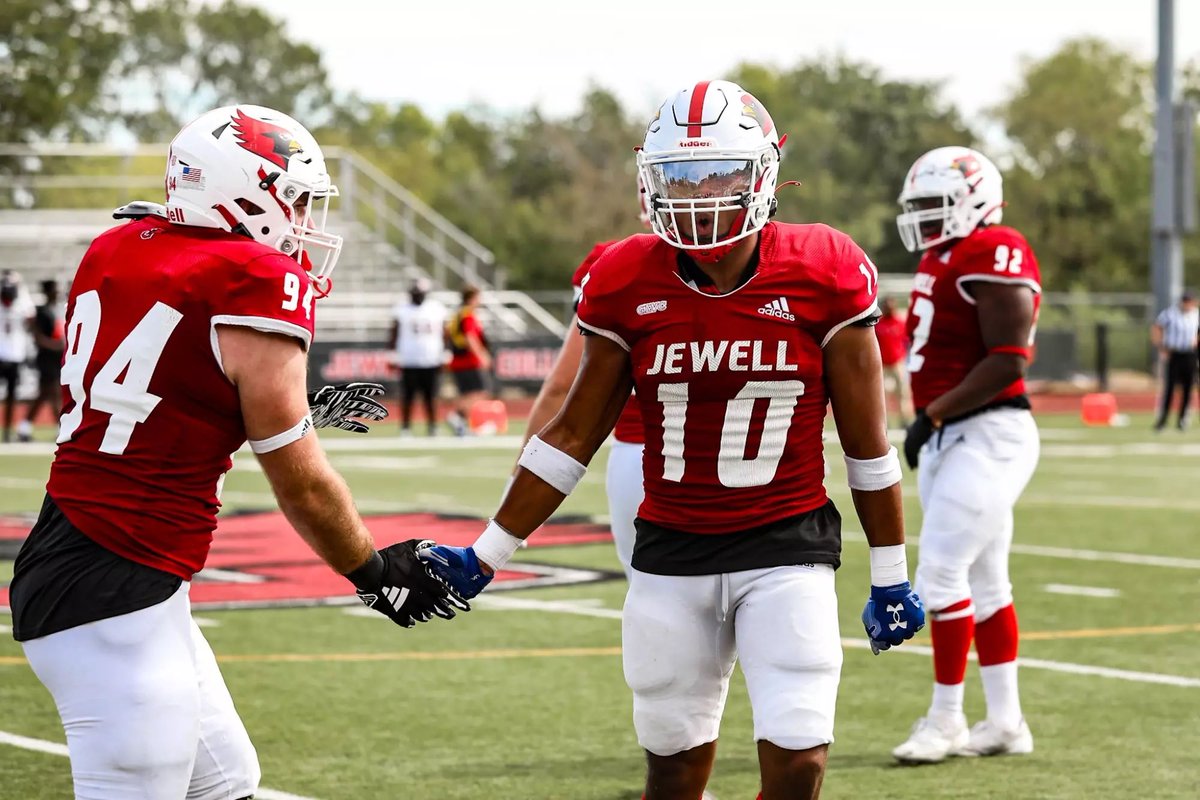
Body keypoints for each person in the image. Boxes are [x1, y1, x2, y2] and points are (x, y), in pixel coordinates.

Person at [419, 80, 925, 800]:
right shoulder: (626, 277)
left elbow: (867, 443)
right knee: (673, 771)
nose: (699, 194)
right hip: (671, 552)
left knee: (800, 760)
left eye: (718, 173)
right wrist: (486, 553)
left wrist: (890, 572)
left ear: (762, 175)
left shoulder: (824, 269)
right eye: (680, 177)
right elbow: (573, 434)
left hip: (786, 545)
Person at [8, 105, 464, 800]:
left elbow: (166, 384)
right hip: (118, 583)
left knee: (227, 783)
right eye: (296, 200)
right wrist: (373, 571)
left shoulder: (120, 245)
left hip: (96, 559)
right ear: (244, 193)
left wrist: (299, 409)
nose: (304, 221)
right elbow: (301, 482)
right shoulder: (251, 276)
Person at [892, 146, 1041, 763]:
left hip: (989, 432)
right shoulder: (941, 255)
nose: (926, 216)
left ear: (974, 198)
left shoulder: (996, 246)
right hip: (953, 433)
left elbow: (1008, 359)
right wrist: (933, 419)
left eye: (936, 204)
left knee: (941, 573)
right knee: (985, 580)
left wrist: (932, 413)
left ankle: (946, 719)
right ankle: (1006, 722)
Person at [516, 183, 652, 577]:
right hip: (761, 466)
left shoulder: (617, 262)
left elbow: (562, 385)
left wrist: (517, 485)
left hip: (644, 455)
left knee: (656, 595)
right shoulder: (778, 262)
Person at [391, 276, 448, 436]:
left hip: (431, 359)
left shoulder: (436, 308)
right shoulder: (401, 308)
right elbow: (394, 333)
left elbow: (445, 333)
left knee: (431, 396)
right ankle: (405, 428)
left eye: (420, 293)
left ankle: (433, 426)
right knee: (408, 397)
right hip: (408, 359)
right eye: (415, 293)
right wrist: (392, 354)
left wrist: (445, 353)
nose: (417, 296)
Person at [17, 279, 66, 442]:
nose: (57, 293)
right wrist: (56, 346)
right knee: (54, 393)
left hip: (55, 359)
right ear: (48, 292)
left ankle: (24, 428)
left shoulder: (55, 310)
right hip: (46, 359)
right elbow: (38, 337)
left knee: (44, 394)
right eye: (54, 290)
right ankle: (62, 428)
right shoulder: (42, 312)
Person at [445, 283, 491, 435]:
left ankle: (461, 423)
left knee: (468, 393)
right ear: (472, 298)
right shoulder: (467, 315)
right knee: (478, 393)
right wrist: (482, 356)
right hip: (467, 360)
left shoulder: (458, 314)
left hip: (458, 360)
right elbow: (470, 338)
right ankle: (457, 417)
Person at [1151, 290, 1199, 431]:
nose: (1187, 304)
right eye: (1185, 301)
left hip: (1190, 354)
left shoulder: (1196, 314)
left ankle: (1182, 419)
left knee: (1188, 387)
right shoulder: (1170, 313)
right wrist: (1161, 347)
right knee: (1169, 387)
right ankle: (1163, 419)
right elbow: (1157, 328)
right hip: (1174, 353)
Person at [0, 270, 35, 443]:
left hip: (13, 357)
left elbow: (30, 315)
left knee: (12, 397)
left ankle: (7, 432)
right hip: (7, 356)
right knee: (11, 397)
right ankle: (6, 432)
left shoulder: (19, 307)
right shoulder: (19, 307)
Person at [875, 296, 911, 427]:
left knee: (902, 392)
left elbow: (907, 341)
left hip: (897, 363)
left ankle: (904, 420)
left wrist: (904, 356)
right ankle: (885, 422)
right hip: (882, 365)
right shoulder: (878, 324)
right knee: (881, 394)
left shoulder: (900, 323)